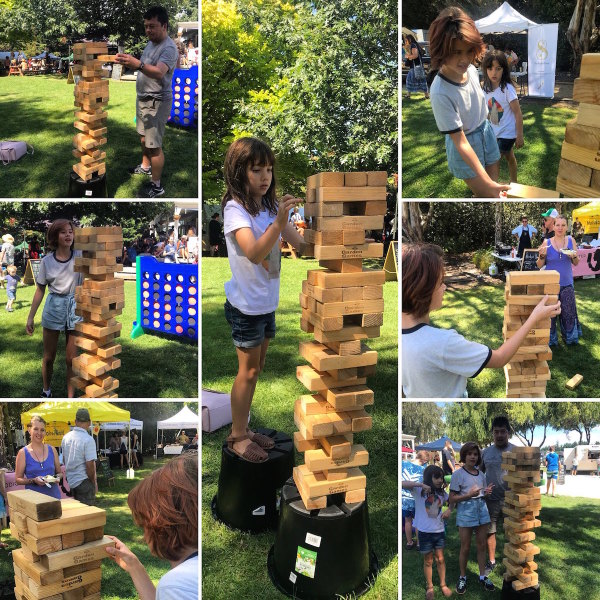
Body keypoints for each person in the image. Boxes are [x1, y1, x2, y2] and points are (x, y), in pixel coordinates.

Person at [221, 137, 307, 462]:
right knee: (248, 372)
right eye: (257, 170)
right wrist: (279, 223)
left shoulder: (270, 208)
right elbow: (255, 253)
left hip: (266, 304)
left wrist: (332, 221)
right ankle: (237, 437)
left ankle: (244, 427)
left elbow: (303, 245)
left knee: (257, 369)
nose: (265, 176)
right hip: (245, 307)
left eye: (268, 169)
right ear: (238, 172)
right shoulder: (235, 209)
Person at [402, 243, 561, 397]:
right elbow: (499, 358)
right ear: (423, 292)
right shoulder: (442, 343)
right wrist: (534, 317)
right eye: (440, 283)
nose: (445, 287)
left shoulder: (402, 337)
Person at [428, 7, 510, 198]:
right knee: (489, 193)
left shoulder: (472, 70)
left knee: (492, 193)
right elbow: (461, 142)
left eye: (468, 51)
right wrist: (487, 183)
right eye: (456, 52)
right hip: (465, 142)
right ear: (441, 49)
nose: (464, 59)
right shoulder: (440, 92)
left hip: (486, 131)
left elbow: (476, 101)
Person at [105, 453, 198, 599]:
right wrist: (134, 566)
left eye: (144, 524)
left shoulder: (177, 586)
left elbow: (176, 590)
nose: (144, 535)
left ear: (160, 526)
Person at [116, 6, 178, 198]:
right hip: (143, 98)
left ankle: (157, 186)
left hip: (156, 102)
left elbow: (159, 72)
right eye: (146, 26)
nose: (148, 30)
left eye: (152, 26)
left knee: (154, 145)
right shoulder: (150, 43)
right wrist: (130, 63)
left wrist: (138, 64)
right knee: (143, 137)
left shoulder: (169, 47)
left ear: (164, 25)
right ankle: (145, 167)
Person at [25, 219, 83, 398]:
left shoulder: (81, 255)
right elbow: (40, 289)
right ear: (55, 236)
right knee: (49, 358)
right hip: (54, 307)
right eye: (63, 232)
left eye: (70, 232)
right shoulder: (47, 261)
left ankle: (71, 398)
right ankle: (46, 391)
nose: (68, 235)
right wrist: (30, 317)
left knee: (71, 360)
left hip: (75, 308)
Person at [450, 442, 495, 594]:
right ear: (464, 455)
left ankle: (482, 576)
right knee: (466, 547)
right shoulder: (457, 474)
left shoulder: (481, 475)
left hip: (482, 509)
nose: (473, 457)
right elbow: (452, 498)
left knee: (482, 545)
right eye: (469, 454)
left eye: (475, 454)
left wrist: (485, 492)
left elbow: (480, 493)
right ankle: (463, 577)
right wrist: (469, 495)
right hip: (466, 510)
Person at [402, 465, 453, 599]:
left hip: (439, 531)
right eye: (436, 477)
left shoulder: (442, 493)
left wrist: (449, 510)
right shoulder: (419, 491)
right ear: (428, 478)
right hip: (424, 533)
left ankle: (443, 584)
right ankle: (430, 586)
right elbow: (401, 484)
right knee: (428, 560)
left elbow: (453, 501)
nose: (440, 480)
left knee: (440, 559)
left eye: (441, 477)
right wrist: (420, 484)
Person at [536, 214, 581, 346]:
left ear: (567, 227)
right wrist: (542, 255)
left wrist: (573, 256)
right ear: (553, 226)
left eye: (563, 225)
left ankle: (570, 338)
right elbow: (539, 265)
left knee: (568, 313)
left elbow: (576, 263)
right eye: (557, 225)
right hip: (551, 285)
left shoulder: (571, 240)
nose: (560, 228)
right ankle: (551, 340)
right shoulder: (546, 243)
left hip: (567, 283)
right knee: (551, 314)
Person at [482, 50, 524, 184]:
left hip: (508, 132)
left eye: (498, 69)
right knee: (509, 156)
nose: (494, 73)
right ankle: (514, 182)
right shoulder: (485, 89)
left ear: (504, 70)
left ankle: (491, 187)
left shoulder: (507, 89)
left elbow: (517, 113)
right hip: (495, 132)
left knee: (495, 159)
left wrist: (520, 135)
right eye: (490, 68)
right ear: (485, 69)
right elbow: (488, 111)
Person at [481, 416, 514, 576]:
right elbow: (478, 474)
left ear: (508, 432)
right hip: (491, 500)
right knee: (490, 531)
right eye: (496, 432)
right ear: (492, 434)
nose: (499, 435)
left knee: (513, 532)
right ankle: (492, 561)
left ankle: (513, 561)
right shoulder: (485, 452)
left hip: (512, 500)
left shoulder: (516, 451)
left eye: (503, 431)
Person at [15, 415, 62, 500]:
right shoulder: (23, 453)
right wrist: (33, 480)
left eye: (42, 430)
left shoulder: (52, 450)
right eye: (36, 429)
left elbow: (60, 473)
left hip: (54, 500)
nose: (39, 433)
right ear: (29, 430)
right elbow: (18, 479)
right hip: (34, 502)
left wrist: (56, 477)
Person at [61, 408, 97, 506]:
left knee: (77, 515)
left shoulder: (65, 438)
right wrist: (93, 482)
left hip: (71, 482)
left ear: (75, 421)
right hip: (84, 481)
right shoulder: (88, 440)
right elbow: (90, 465)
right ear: (89, 422)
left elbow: (64, 459)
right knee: (88, 517)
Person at [402, 450, 431, 551]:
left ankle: (409, 542)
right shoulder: (423, 469)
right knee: (418, 521)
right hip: (417, 499)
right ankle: (419, 543)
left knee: (407, 521)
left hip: (404, 498)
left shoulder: (403, 463)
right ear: (424, 460)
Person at [403, 34, 429, 100]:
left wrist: (408, 56)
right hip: (417, 66)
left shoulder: (413, 45)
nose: (405, 42)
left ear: (410, 39)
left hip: (415, 67)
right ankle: (426, 95)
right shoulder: (414, 45)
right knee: (421, 80)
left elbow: (415, 55)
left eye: (406, 40)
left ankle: (408, 95)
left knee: (410, 79)